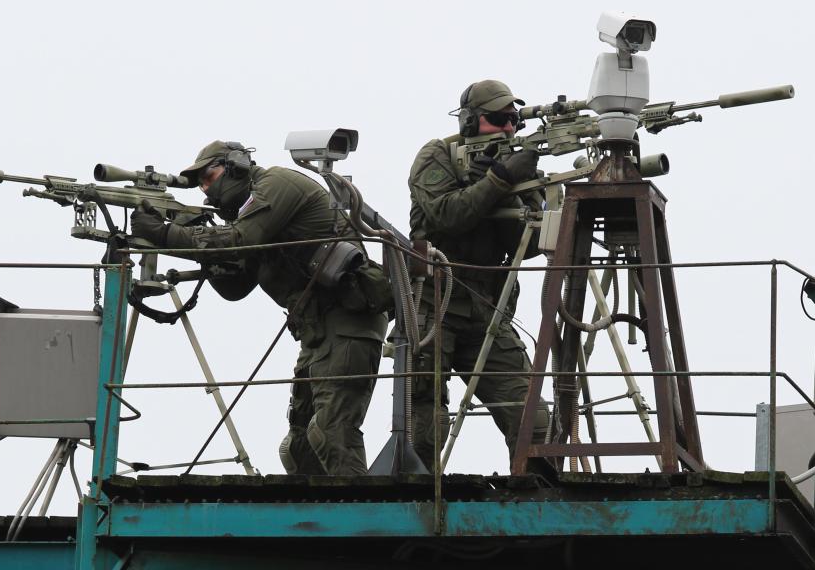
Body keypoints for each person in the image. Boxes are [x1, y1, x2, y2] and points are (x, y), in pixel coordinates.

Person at [131, 141, 390, 475]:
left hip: (347, 323)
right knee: (299, 446)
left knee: (330, 433)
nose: (207, 192)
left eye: (209, 178)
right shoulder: (252, 218)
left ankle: (362, 522)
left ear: (236, 166)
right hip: (318, 334)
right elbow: (235, 286)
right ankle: (320, 520)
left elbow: (239, 241)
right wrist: (191, 240)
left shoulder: (276, 185)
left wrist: (166, 233)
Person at [407, 79, 548, 470]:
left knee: (531, 417)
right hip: (434, 303)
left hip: (488, 305)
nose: (508, 128)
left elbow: (532, 242)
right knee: (424, 419)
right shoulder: (438, 155)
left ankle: (537, 501)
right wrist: (497, 180)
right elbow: (446, 216)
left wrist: (513, 185)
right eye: (497, 119)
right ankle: (415, 508)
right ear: (470, 122)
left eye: (514, 120)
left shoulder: (516, 165)